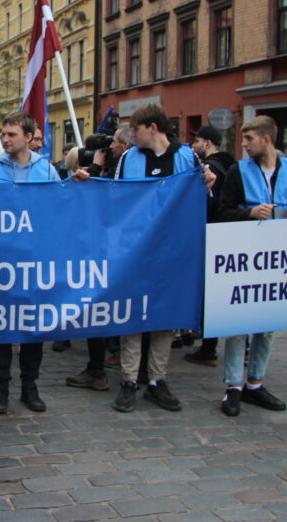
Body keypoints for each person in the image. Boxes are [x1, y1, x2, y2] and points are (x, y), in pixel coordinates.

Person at [104, 103, 214, 413]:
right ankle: (128, 380)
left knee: (165, 316)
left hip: (173, 250)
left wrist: (207, 183)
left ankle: (157, 380)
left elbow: (198, 200)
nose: (130, 135)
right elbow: (114, 198)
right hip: (136, 250)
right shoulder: (128, 158)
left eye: (135, 129)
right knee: (132, 314)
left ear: (152, 128)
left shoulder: (186, 157)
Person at [217, 115, 287, 417]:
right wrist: (249, 214)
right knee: (238, 324)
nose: (244, 145)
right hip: (244, 256)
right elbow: (222, 213)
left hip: (279, 257)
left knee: (267, 325)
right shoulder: (237, 172)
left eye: (249, 139)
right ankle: (233, 386)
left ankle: (255, 383)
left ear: (266, 140)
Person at [0, 111, 61, 415]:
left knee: (33, 327)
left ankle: (30, 386)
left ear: (29, 137)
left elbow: (59, 209)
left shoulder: (47, 170)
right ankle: (1, 387)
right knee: (0, 325)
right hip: (0, 262)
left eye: (12, 134)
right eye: (4, 133)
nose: (5, 139)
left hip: (34, 262)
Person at [184, 125, 237, 367]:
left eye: (197, 141)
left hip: (209, 232)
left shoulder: (210, 169)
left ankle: (208, 348)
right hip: (227, 234)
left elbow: (205, 204)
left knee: (208, 295)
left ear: (207, 143)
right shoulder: (233, 166)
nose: (194, 145)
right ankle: (230, 346)